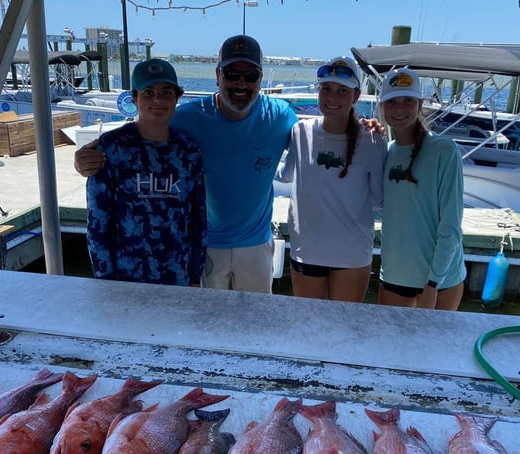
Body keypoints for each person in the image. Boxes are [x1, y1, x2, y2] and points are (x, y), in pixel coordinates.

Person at [76, 35, 298, 293]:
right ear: (217, 75)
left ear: (260, 79)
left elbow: (316, 144)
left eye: (250, 75)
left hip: (255, 244)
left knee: (254, 324)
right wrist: (84, 161)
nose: (241, 83)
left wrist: (355, 128)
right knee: (203, 325)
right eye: (231, 73)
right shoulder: (184, 119)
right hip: (204, 245)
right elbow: (144, 130)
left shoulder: (280, 116)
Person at [85, 58, 207, 287]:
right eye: (148, 92)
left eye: (166, 92)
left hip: (177, 278)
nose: (158, 100)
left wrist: (195, 275)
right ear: (134, 98)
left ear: (176, 98)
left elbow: (198, 219)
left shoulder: (189, 150)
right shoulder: (111, 148)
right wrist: (105, 282)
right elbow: (97, 225)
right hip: (125, 280)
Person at [276, 56, 386, 302]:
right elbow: (284, 175)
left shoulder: (373, 140)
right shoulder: (300, 132)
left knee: (345, 330)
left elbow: (381, 201)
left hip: (352, 256)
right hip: (307, 251)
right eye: (326, 89)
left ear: (356, 96)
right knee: (307, 327)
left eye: (342, 91)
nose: (332, 97)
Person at [377, 67, 466, 310]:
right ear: (382, 107)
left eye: (408, 101)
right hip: (395, 277)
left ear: (420, 104)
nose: (400, 108)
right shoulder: (385, 153)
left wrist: (432, 284)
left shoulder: (444, 151)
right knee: (391, 348)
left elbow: (450, 226)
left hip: (441, 281)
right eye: (392, 102)